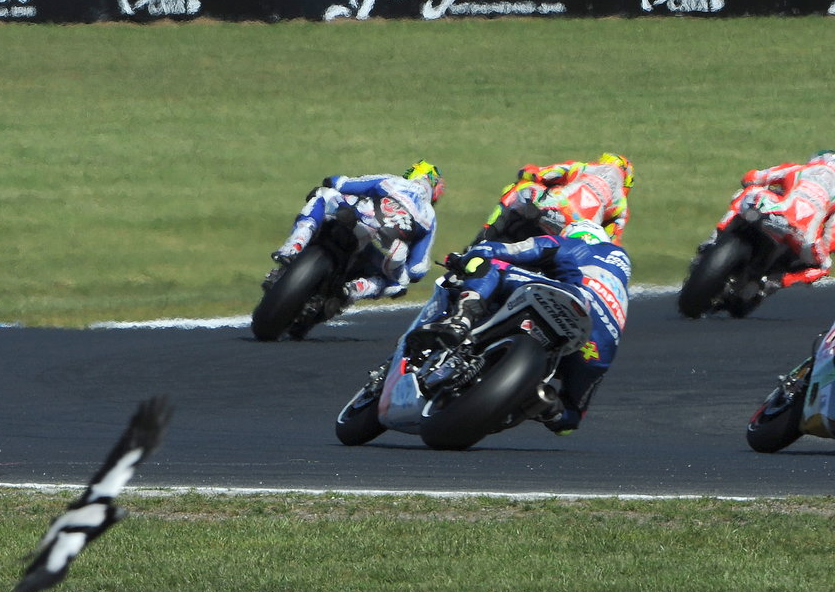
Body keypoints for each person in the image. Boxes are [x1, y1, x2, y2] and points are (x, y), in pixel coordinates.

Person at [412, 220, 631, 435]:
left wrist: (484, 250)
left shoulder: (585, 246)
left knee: (491, 264)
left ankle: (462, 318)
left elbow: (544, 248)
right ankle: (545, 405)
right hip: (600, 343)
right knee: (571, 410)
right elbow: (571, 423)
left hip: (570, 297)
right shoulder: (620, 288)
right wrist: (557, 415)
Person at [271, 160, 444, 302]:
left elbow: (341, 183)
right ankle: (356, 289)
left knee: (323, 195)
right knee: (398, 283)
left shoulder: (393, 181)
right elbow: (418, 268)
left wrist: (331, 181)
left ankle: (294, 246)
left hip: (361, 218)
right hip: (385, 247)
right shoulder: (430, 216)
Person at [704, 152, 835, 289]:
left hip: (774, 211)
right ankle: (775, 282)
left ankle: (714, 238)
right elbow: (830, 240)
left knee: (749, 192)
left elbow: (753, 178)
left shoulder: (797, 169)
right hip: (802, 234)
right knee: (823, 267)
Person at [478, 153, 633, 245]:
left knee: (518, 187)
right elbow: (611, 243)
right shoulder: (621, 207)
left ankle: (486, 235)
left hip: (553, 209)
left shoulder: (581, 168)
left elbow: (537, 174)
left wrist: (528, 173)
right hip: (577, 235)